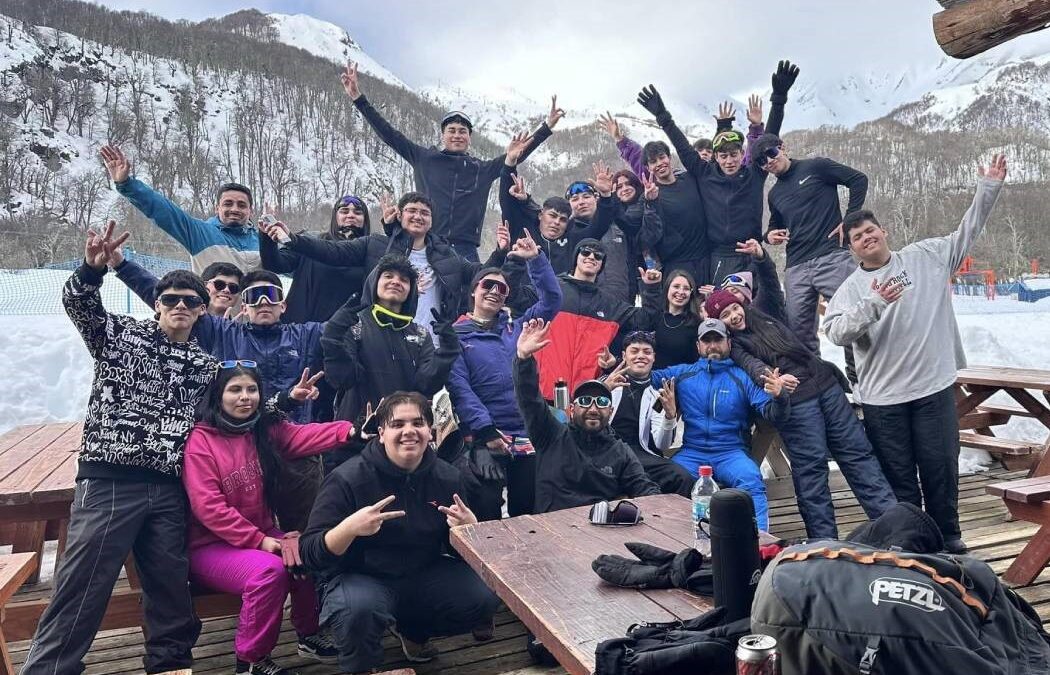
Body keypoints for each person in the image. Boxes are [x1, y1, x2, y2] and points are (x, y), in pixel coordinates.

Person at [22, 222, 217, 675]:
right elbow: (80, 306)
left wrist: (287, 402)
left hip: (169, 487)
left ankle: (171, 664)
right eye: (171, 299)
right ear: (158, 305)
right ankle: (50, 668)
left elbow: (238, 405)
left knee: (170, 584)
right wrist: (91, 272)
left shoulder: (204, 365)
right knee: (84, 582)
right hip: (111, 479)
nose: (180, 306)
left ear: (202, 311)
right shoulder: (120, 337)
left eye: (191, 301)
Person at [824, 155, 1008, 553]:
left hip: (933, 387)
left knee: (941, 467)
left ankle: (950, 538)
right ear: (851, 249)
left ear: (884, 232)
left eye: (870, 230)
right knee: (900, 479)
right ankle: (912, 544)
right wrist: (873, 303)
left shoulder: (926, 257)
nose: (866, 238)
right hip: (882, 399)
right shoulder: (851, 288)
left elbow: (967, 232)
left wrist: (988, 188)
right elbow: (836, 331)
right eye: (857, 237)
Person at [112, 258, 326, 531]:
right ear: (244, 306)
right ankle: (254, 571)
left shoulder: (305, 334)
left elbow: (349, 323)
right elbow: (170, 297)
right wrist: (121, 265)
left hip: (294, 449)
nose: (263, 301)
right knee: (251, 530)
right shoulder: (222, 331)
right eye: (253, 296)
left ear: (283, 305)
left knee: (304, 532)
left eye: (271, 295)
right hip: (241, 449)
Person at [300, 392, 500, 673]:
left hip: (421, 572)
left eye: (417, 423)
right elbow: (309, 553)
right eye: (397, 424)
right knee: (358, 608)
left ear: (430, 432)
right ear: (381, 433)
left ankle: (414, 633)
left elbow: (458, 550)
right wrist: (348, 529)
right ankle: (362, 668)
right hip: (361, 576)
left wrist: (468, 532)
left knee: (485, 594)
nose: (409, 431)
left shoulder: (448, 477)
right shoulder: (348, 478)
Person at [184, 363, 354, 674]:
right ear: (218, 395)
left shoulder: (260, 429)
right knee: (270, 572)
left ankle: (308, 633)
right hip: (209, 546)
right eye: (235, 390)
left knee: (304, 553)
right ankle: (250, 660)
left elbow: (304, 436)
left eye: (251, 390)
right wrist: (262, 541)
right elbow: (208, 508)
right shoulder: (200, 441)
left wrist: (351, 430)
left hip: (260, 534)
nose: (245, 397)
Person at [706, 290, 897, 540]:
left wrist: (761, 258)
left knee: (858, 454)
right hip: (797, 402)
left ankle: (895, 527)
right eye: (725, 315)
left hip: (826, 386)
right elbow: (752, 366)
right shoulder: (737, 345)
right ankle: (824, 543)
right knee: (811, 471)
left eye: (734, 308)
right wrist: (774, 379)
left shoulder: (767, 313)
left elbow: (770, 283)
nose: (734, 316)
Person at [340, 61, 561, 260]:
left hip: (465, 249)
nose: (457, 135)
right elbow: (388, 133)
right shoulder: (425, 158)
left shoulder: (481, 169)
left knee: (469, 302)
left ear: (469, 138)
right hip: (426, 243)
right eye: (452, 130)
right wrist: (358, 99)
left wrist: (546, 128)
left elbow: (516, 154)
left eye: (462, 131)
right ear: (443, 135)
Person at [637, 62, 799, 295]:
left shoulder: (754, 173)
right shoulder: (704, 174)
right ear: (716, 157)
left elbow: (770, 137)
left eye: (734, 155)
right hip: (719, 256)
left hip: (752, 251)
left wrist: (779, 97)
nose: (729, 161)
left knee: (761, 310)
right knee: (721, 309)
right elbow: (681, 145)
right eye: (723, 156)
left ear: (742, 154)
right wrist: (662, 116)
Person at [266, 191, 506, 334]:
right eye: (412, 210)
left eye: (425, 213)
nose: (418, 216)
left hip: (432, 342)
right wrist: (293, 240)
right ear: (400, 216)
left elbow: (480, 275)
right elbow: (332, 251)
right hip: (381, 336)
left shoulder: (447, 256)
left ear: (432, 221)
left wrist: (501, 252)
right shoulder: (377, 245)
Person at [447, 232, 562, 520]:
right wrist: (484, 431)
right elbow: (459, 387)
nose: (495, 291)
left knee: (529, 514)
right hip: (485, 437)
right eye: (488, 285)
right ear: (473, 291)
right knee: (486, 513)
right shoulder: (455, 334)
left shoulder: (520, 327)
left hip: (526, 435)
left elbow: (552, 299)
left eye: (502, 289)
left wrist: (535, 259)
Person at [651, 318, 791, 531]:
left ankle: (762, 546)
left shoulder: (742, 377)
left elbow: (772, 414)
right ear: (698, 346)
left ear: (729, 343)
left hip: (731, 453)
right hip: (692, 452)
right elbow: (643, 377)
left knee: (752, 481)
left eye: (718, 339)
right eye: (706, 341)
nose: (712, 345)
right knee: (666, 478)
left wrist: (780, 396)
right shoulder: (683, 373)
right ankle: (672, 543)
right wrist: (610, 369)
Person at [321, 254, 461, 467]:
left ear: (411, 291)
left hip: (404, 442)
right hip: (356, 440)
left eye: (404, 280)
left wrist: (448, 350)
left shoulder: (421, 334)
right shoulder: (353, 324)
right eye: (388, 276)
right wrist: (333, 337)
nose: (396, 281)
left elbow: (426, 385)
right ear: (374, 282)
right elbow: (342, 379)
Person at [513, 319, 661, 512]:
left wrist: (661, 506)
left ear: (611, 411)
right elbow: (529, 398)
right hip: (551, 528)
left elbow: (643, 486)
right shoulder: (550, 435)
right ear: (572, 409)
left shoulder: (620, 451)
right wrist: (524, 358)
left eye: (601, 403)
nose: (593, 408)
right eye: (584, 401)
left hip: (597, 532)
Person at [750, 132, 868, 358]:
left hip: (831, 256)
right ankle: (818, 383)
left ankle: (861, 379)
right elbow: (776, 223)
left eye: (771, 153)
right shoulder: (774, 194)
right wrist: (769, 235)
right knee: (798, 334)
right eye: (762, 162)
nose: (769, 161)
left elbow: (859, 179)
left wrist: (850, 220)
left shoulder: (816, 167)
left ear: (783, 147)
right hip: (796, 266)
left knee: (854, 318)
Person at [527, 238, 663, 401]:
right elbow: (513, 298)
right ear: (576, 257)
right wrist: (511, 258)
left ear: (601, 265)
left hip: (588, 399)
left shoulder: (609, 304)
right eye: (585, 252)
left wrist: (652, 288)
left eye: (598, 256)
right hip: (543, 394)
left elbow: (646, 320)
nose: (591, 257)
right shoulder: (552, 291)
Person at [100, 145, 260, 274]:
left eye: (241, 205)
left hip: (260, 315)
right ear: (217, 208)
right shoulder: (200, 233)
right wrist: (127, 184)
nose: (234, 209)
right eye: (228, 203)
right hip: (210, 314)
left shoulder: (263, 241)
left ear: (250, 210)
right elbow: (163, 210)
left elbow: (285, 264)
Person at [500, 133, 615, 276]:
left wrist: (605, 196)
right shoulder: (521, 229)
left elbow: (599, 226)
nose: (556, 223)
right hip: (522, 295)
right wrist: (510, 163)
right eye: (552, 216)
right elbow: (506, 200)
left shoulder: (573, 240)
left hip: (558, 295)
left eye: (562, 219)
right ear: (541, 214)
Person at [603, 331, 694, 496]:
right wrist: (604, 391)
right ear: (624, 355)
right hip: (606, 451)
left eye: (646, 352)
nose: (640, 356)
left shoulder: (657, 396)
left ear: (653, 357)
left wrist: (669, 416)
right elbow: (580, 415)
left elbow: (662, 445)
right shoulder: (607, 383)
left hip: (641, 456)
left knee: (683, 477)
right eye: (634, 351)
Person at [259, 195, 373, 323]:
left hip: (345, 335)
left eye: (358, 212)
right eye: (344, 211)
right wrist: (267, 237)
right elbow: (274, 264)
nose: (351, 215)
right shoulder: (309, 243)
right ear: (335, 217)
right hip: (301, 331)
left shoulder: (371, 252)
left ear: (365, 220)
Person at [653, 269, 704, 369]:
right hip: (654, 378)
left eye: (686, 288)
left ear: (691, 293)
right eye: (676, 286)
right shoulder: (655, 317)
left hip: (682, 380)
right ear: (667, 288)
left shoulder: (697, 324)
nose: (681, 292)